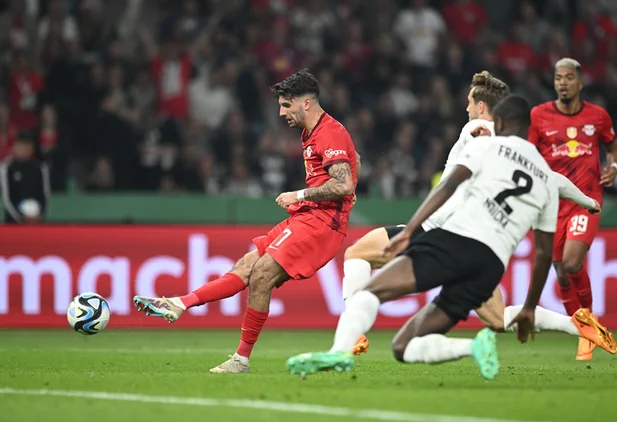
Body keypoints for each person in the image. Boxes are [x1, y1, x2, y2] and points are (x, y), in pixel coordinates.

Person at [286, 95, 616, 380]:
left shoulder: (485, 144)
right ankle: (484, 343)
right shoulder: (544, 173)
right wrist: (588, 203)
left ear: (497, 120)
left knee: (368, 293)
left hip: (455, 239)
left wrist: (411, 231)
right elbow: (544, 253)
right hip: (489, 264)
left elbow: (448, 183)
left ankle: (340, 352)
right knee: (445, 334)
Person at [342, 71, 600, 355]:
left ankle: (352, 334)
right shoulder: (521, 153)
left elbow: (479, 132)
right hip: (476, 245)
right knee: (498, 320)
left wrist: (481, 132)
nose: (466, 108)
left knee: (357, 254)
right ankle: (576, 324)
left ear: (480, 106)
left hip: (434, 231)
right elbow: (554, 179)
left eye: (469, 102)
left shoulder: (476, 127)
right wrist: (586, 200)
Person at [133, 69, 360, 373]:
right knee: (246, 265)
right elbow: (353, 160)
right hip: (307, 217)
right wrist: (346, 187)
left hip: (321, 223)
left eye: (286, 105)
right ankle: (179, 304)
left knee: (262, 274)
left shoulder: (328, 132)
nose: (281, 113)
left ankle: (240, 360)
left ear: (306, 103)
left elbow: (343, 183)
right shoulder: (315, 131)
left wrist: (300, 194)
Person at [529, 58, 617, 360]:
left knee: (571, 262)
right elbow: (527, 153)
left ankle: (589, 328)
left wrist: (613, 165)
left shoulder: (598, 116)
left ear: (580, 82)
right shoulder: (539, 116)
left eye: (568, 77)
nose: (563, 83)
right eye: (557, 78)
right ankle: (585, 333)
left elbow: (611, 145)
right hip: (550, 205)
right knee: (562, 276)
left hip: (585, 201)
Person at [0, 130, 50, 224]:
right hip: (13, 223)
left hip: (37, 220)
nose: (23, 150)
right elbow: (7, 198)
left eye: (26, 146)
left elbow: (45, 194)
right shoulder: (7, 168)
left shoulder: (40, 168)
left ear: (32, 148)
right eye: (20, 146)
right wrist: (21, 218)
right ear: (14, 147)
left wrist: (41, 215)